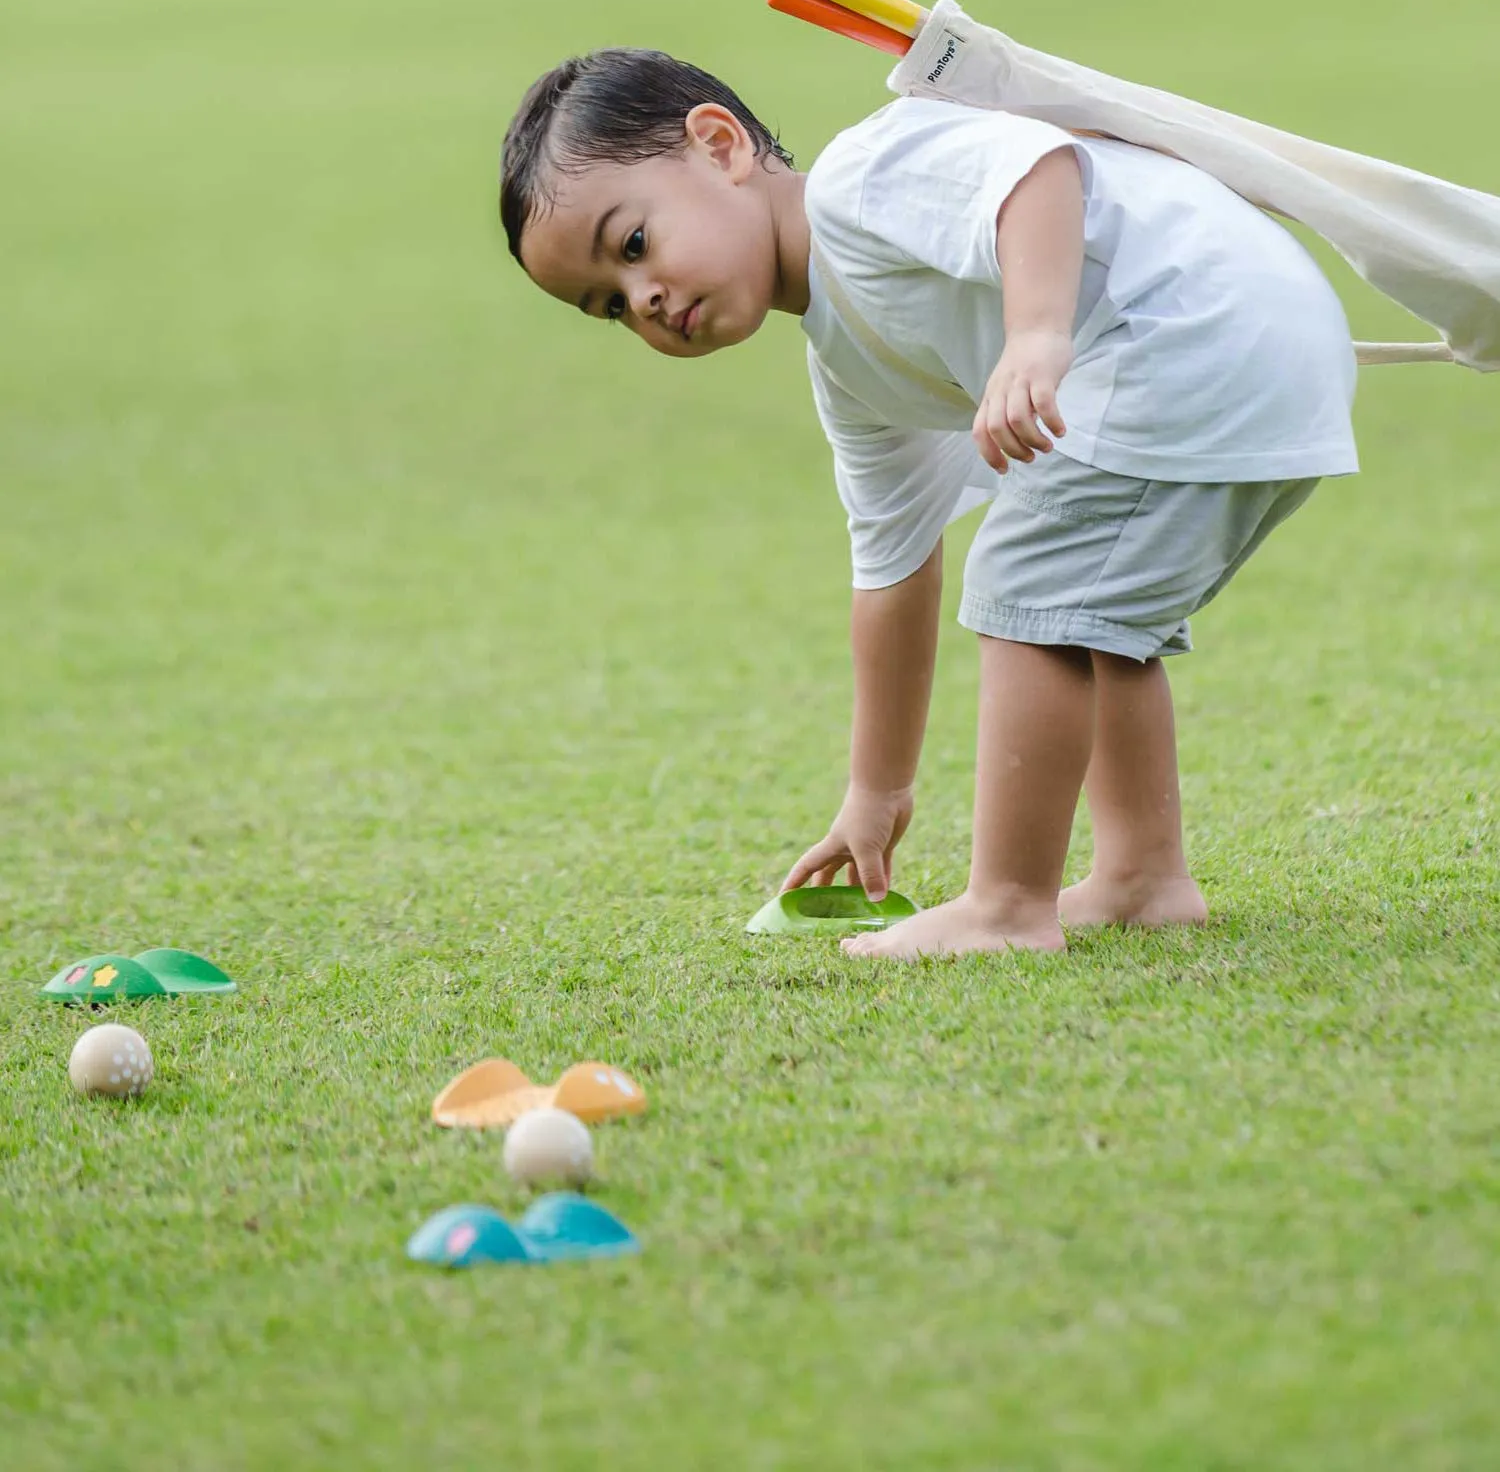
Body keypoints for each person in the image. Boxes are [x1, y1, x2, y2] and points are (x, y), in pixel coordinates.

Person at [499, 47, 1358, 960]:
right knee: (1091, 608)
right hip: (1255, 343)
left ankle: (1007, 908)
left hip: (1194, 330)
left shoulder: (861, 180)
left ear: (719, 148)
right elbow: (892, 572)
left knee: (1030, 580)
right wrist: (877, 794)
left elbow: (1036, 170)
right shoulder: (849, 367)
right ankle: (1142, 877)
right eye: (611, 306)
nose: (645, 299)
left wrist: (1035, 334)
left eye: (633, 246)